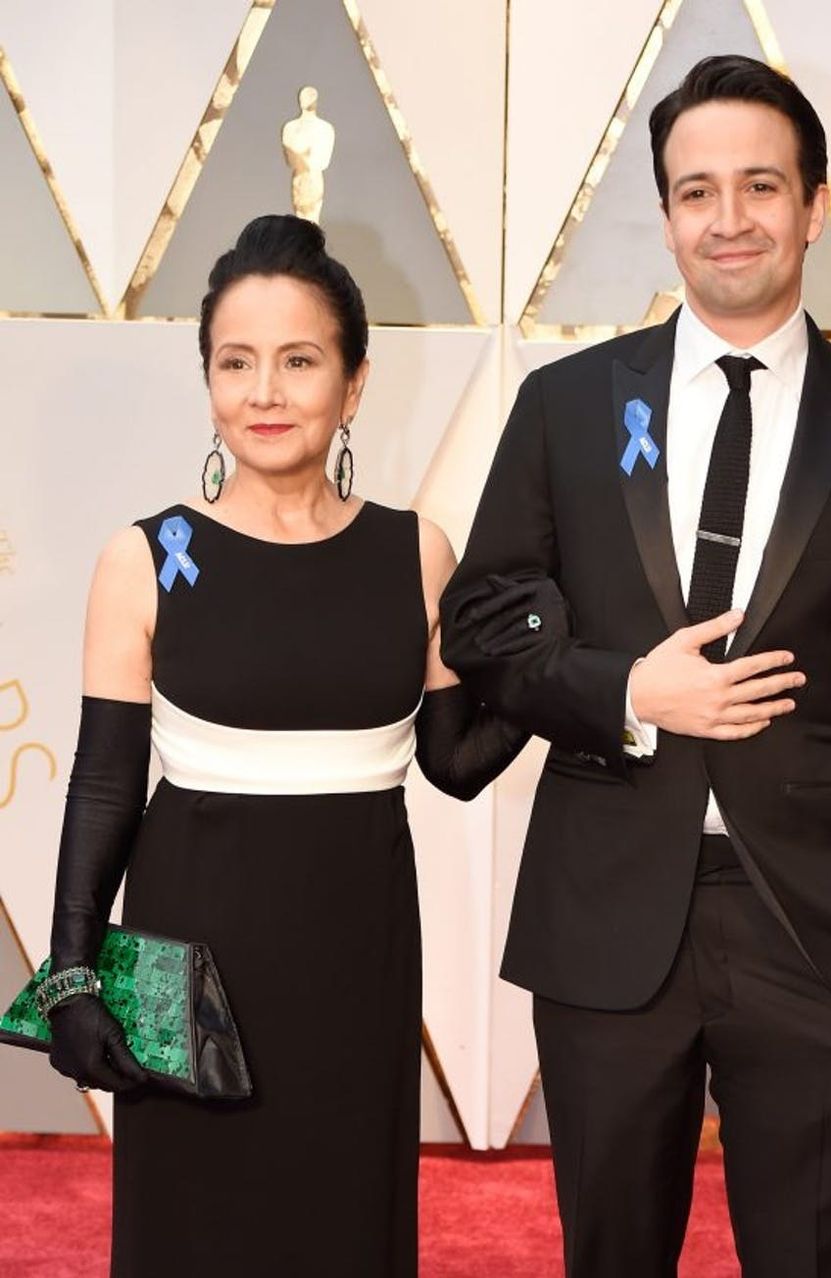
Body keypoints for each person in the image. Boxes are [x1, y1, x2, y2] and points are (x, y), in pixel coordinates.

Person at [441, 55, 831, 1278]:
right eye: (695, 191)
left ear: (813, 206)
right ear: (665, 213)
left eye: (759, 186)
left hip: (815, 924)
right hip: (606, 906)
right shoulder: (567, 404)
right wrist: (628, 690)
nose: (727, 219)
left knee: (803, 1254)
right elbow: (482, 617)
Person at [41, 214, 555, 1276]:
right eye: (235, 363)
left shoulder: (415, 551)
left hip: (355, 955)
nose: (263, 393)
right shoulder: (143, 557)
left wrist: (562, 671)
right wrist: (72, 979)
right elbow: (103, 785)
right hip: (187, 954)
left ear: (354, 383)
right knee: (193, 1232)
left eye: (298, 361)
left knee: (341, 1227)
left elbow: (453, 761)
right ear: (207, 380)